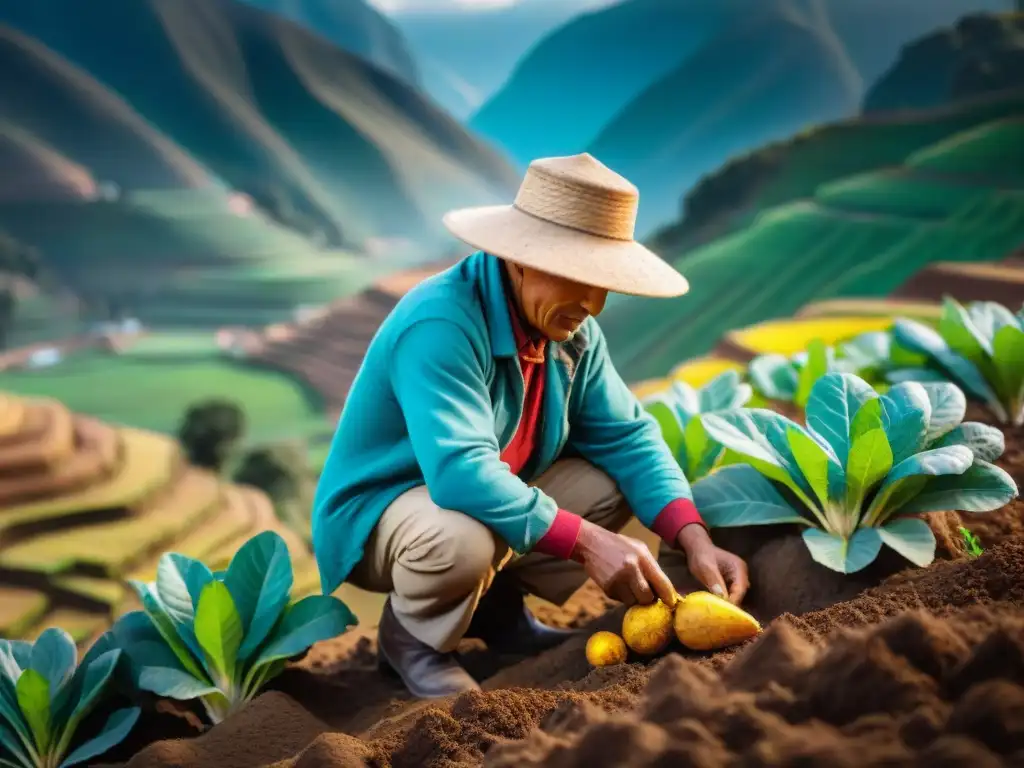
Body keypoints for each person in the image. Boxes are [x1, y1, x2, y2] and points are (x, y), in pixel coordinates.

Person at [311, 152, 749, 699]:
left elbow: (628, 436)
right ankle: (413, 642)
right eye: (578, 278)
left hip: (468, 495)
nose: (592, 303)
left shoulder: (570, 331)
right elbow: (459, 475)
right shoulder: (441, 324)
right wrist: (588, 543)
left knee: (609, 485)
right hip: (385, 513)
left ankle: (498, 616)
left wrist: (693, 535)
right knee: (462, 537)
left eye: (603, 283)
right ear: (520, 260)